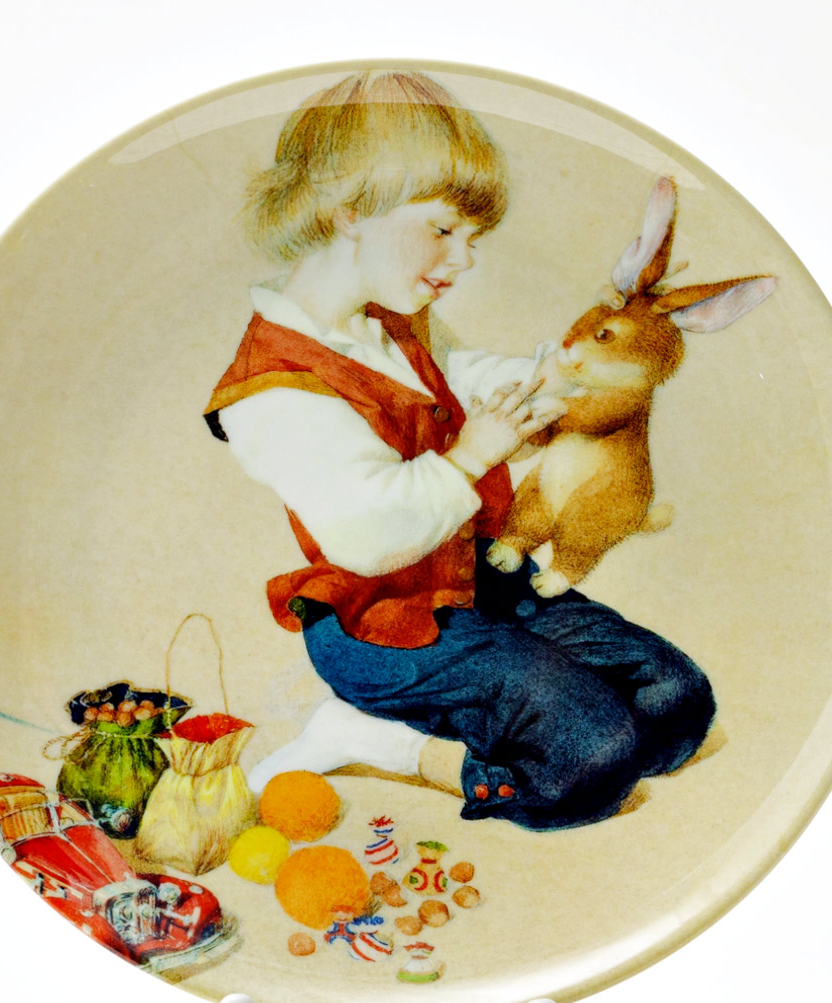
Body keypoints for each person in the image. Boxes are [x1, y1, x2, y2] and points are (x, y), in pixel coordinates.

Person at [203, 71, 714, 831]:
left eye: (472, 239)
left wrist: (557, 382)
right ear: (350, 210)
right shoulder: (268, 388)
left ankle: (522, 709)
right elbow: (367, 537)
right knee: (593, 753)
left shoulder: (392, 321)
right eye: (444, 229)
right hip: (380, 628)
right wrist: (472, 456)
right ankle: (379, 739)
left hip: (475, 584)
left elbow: (463, 379)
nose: (464, 258)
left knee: (675, 701)